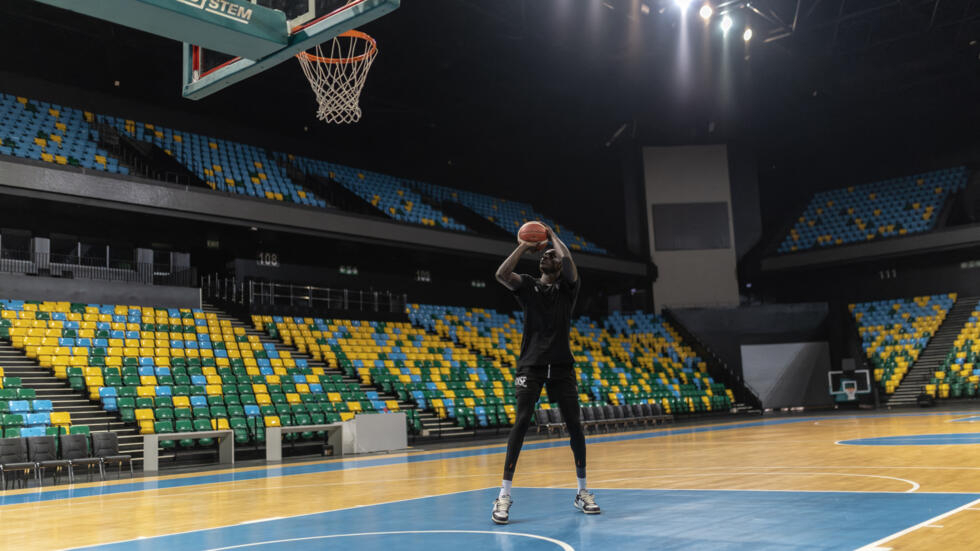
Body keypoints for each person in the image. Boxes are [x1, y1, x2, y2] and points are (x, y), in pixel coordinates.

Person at [490, 222, 600, 524]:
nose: (546, 257)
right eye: (543, 255)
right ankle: (503, 496)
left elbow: (569, 263)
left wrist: (551, 237)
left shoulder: (568, 289)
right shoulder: (527, 285)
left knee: (575, 425)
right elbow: (501, 275)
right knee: (522, 422)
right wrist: (525, 244)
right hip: (531, 364)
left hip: (562, 365)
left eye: (550, 255)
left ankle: (582, 491)